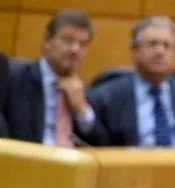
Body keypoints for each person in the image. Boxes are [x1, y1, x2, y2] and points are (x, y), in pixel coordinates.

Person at [88, 16, 175, 147]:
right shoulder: (107, 96)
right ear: (135, 51)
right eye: (152, 44)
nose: (160, 51)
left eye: (167, 45)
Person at [3, 10, 104, 147]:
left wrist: (82, 111)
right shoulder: (14, 78)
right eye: (67, 40)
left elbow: (104, 146)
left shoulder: (85, 92)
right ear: (47, 40)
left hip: (70, 165)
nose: (75, 49)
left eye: (83, 44)